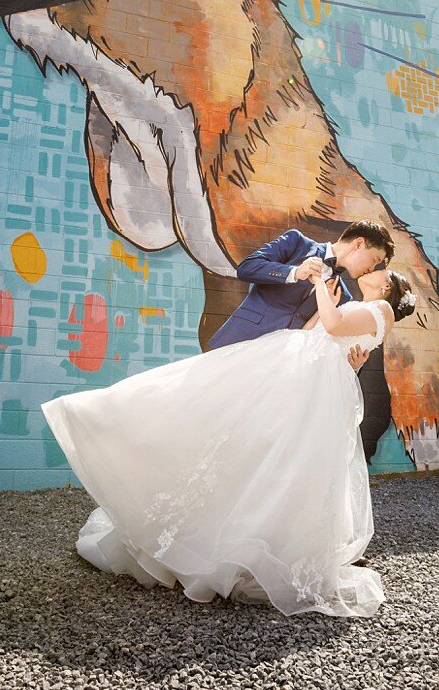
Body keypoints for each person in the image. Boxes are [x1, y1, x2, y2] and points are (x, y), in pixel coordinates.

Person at [41, 263, 419, 618]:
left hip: (314, 388)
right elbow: (316, 332)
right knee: (263, 454)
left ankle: (271, 551)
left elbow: (334, 327)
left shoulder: (381, 309)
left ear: (388, 284)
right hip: (300, 376)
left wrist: (320, 284)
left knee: (292, 465)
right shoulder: (357, 306)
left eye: (379, 269)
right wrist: (329, 306)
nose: (370, 270)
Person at [207, 221, 395, 350]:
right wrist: (295, 273)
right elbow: (246, 268)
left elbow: (327, 343)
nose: (371, 268)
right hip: (240, 342)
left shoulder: (342, 296)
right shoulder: (297, 243)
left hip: (280, 369)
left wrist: (354, 365)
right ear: (359, 244)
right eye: (374, 259)